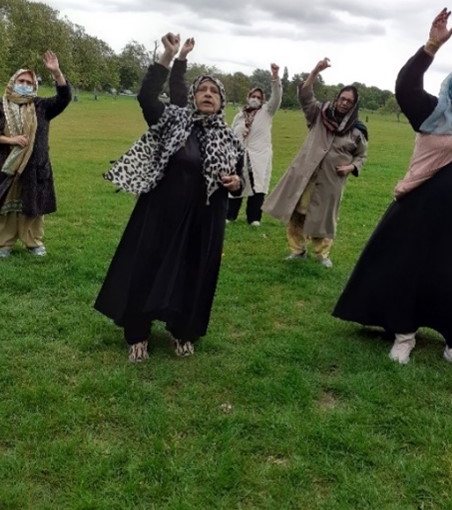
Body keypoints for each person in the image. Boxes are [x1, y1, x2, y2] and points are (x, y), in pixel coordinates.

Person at [333, 8, 452, 379]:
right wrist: (430, 46)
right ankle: (404, 334)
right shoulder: (433, 114)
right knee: (411, 273)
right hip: (419, 214)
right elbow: (406, 87)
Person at [94, 33, 244, 362]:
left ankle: (182, 331)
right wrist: (169, 56)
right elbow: (147, 96)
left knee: (193, 275)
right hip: (161, 215)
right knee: (146, 269)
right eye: (202, 90)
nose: (208, 94)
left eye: (214, 91)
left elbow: (239, 183)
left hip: (204, 222)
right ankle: (137, 334)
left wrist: (235, 185)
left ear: (221, 101)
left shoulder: (231, 141)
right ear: (192, 97)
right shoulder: (174, 122)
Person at [263, 58, 368, 268]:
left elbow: (362, 156)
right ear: (337, 98)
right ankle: (297, 250)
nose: (345, 102)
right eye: (343, 98)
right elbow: (305, 96)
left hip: (330, 181)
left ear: (354, 105)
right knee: (296, 213)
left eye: (349, 101)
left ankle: (322, 254)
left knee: (324, 218)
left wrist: (351, 167)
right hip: (305, 175)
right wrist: (315, 71)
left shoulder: (357, 130)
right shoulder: (319, 114)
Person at [0, 52, 71, 257]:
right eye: (21, 81)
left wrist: (57, 72)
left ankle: (34, 243)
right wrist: (11, 140)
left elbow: (64, 98)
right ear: (13, 83)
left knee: (34, 206)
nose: (24, 84)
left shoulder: (41, 106)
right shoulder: (1, 106)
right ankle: (4, 244)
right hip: (8, 165)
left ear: (34, 86)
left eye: (28, 82)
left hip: (36, 166)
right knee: (7, 206)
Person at [226, 65, 282, 226]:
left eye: (258, 97)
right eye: (253, 96)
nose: (255, 99)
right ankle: (230, 215)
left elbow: (277, 97)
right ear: (248, 97)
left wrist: (275, 77)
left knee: (258, 186)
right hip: (239, 155)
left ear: (262, 99)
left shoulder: (267, 112)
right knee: (237, 183)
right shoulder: (239, 115)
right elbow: (230, 134)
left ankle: (254, 218)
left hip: (259, 155)